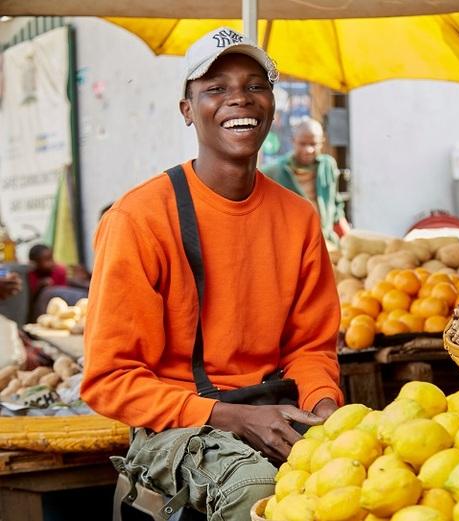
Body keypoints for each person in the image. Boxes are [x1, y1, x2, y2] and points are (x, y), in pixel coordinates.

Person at [81, 27, 342, 520]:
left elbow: (309, 348)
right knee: (258, 488)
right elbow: (109, 379)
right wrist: (233, 417)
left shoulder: (299, 217)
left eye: (254, 85)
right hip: (173, 424)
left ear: (272, 104)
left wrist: (324, 405)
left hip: (273, 406)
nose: (238, 99)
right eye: (215, 88)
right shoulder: (138, 220)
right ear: (187, 110)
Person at [263, 117, 349, 248]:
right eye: (302, 144)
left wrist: (349, 242)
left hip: (326, 243)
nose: (308, 150)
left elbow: (336, 209)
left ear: (322, 143)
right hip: (291, 248)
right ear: (293, 141)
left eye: (313, 144)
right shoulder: (273, 172)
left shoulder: (328, 166)